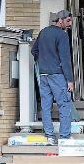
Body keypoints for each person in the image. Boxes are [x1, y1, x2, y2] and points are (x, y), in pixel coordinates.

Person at [31, 10, 74, 145]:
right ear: (60, 20)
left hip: (43, 74)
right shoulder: (62, 35)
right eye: (68, 21)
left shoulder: (43, 32)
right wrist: (70, 80)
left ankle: (49, 136)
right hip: (57, 75)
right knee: (64, 104)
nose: (70, 24)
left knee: (46, 106)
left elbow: (34, 50)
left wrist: (43, 62)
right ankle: (65, 137)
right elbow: (65, 59)